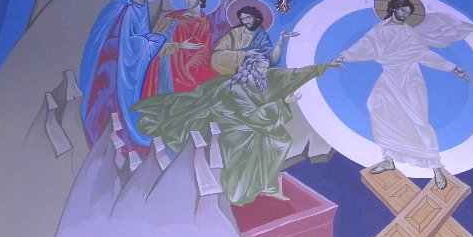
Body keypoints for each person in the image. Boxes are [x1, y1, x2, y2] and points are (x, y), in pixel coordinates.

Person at [135, 53, 336, 205]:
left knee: (280, 140)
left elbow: (291, 75)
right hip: (230, 124)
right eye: (261, 68)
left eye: (265, 68)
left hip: (246, 121)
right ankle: (238, 190)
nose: (264, 72)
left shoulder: (257, 81)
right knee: (263, 141)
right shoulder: (237, 87)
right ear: (250, 67)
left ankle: (266, 185)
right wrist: (283, 102)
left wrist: (324, 66)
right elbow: (252, 114)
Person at [335, 0, 473, 190]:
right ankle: (388, 158)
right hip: (389, 77)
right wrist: (344, 56)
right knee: (377, 106)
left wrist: (452, 67)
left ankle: (436, 168)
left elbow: (425, 55)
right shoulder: (379, 30)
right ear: (393, 9)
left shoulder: (410, 33)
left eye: (407, 13)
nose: (404, 15)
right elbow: (365, 46)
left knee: (417, 121)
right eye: (402, 10)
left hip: (410, 80)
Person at [80, 0, 169, 151]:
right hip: (110, 59)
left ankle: (120, 133)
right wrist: (145, 43)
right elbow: (111, 33)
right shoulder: (123, 4)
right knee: (108, 94)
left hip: (129, 58)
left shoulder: (142, 5)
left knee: (122, 100)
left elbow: (140, 34)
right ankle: (98, 130)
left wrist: (149, 41)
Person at [142, 0, 218, 96]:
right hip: (170, 55)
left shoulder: (204, 21)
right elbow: (159, 39)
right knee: (167, 81)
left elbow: (205, 46)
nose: (188, 1)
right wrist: (180, 46)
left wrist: (194, 61)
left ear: (200, 1)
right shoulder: (172, 17)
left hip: (193, 55)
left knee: (201, 76)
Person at [211, 1, 297, 76]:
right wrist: (244, 54)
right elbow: (216, 54)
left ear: (256, 17)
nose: (245, 21)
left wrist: (281, 38)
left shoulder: (261, 35)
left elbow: (271, 59)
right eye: (243, 19)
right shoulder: (235, 33)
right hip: (232, 67)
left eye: (248, 18)